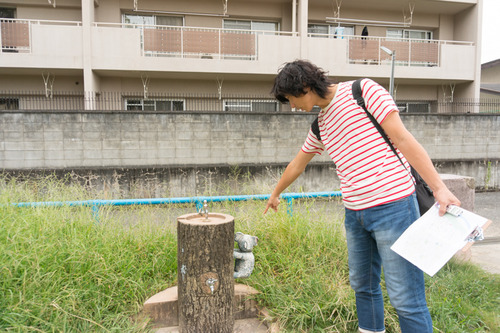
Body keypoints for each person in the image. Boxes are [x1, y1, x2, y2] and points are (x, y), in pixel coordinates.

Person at [263, 59, 460, 333]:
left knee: (405, 298)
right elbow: (298, 163)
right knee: (363, 288)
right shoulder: (320, 124)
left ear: (306, 86)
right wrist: (275, 193)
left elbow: (403, 139)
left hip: (394, 207)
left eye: (292, 99)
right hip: (355, 215)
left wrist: (439, 187)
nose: (292, 106)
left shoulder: (363, 91)